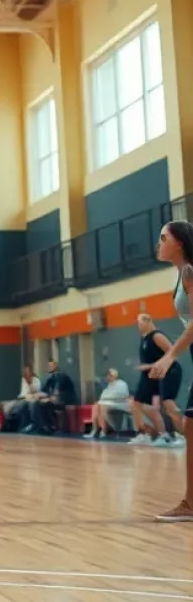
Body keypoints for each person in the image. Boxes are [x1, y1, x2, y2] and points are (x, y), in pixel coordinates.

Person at [147, 221, 193, 521]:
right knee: (190, 428)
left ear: (179, 243)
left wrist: (168, 357)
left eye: (163, 238)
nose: (159, 243)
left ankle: (190, 504)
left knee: (191, 427)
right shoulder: (181, 274)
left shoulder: (190, 272)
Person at [130, 314, 183, 447]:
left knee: (169, 404)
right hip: (156, 373)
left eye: (140, 323)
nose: (138, 326)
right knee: (141, 403)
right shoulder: (145, 339)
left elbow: (172, 353)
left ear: (148, 321)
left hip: (170, 370)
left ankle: (185, 435)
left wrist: (149, 366)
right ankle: (160, 434)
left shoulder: (156, 335)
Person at [84, 368, 132, 440]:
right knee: (96, 406)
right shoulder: (109, 385)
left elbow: (122, 395)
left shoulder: (121, 383)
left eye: (109, 375)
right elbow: (103, 396)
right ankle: (95, 430)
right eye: (107, 375)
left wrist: (107, 398)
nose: (107, 377)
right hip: (110, 403)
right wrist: (105, 399)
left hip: (121, 404)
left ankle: (104, 430)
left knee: (102, 406)